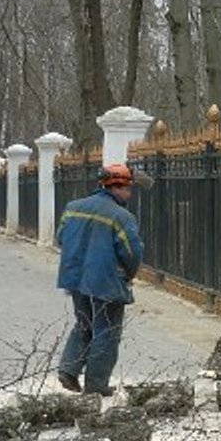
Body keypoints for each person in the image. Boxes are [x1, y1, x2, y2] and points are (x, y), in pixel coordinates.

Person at [55, 163, 143, 395]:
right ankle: (96, 386)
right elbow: (132, 252)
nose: (129, 194)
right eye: (128, 189)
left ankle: (69, 370)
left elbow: (61, 237)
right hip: (106, 281)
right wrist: (130, 274)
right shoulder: (121, 217)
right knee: (107, 330)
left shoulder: (73, 208)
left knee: (84, 323)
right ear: (118, 187)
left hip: (75, 277)